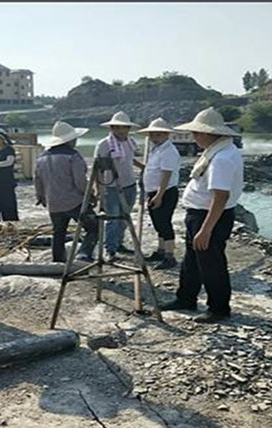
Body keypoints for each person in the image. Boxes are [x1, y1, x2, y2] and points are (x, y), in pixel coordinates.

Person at [161, 107, 243, 323]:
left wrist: (206, 230)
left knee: (211, 264)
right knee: (192, 260)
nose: (194, 137)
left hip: (209, 217)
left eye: (196, 133)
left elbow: (221, 196)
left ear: (208, 133)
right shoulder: (220, 151)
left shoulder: (222, 158)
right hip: (200, 214)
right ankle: (186, 297)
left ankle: (218, 308)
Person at [34, 121, 98, 263]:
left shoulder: (41, 157)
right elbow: (80, 182)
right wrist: (91, 195)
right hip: (74, 201)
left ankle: (57, 261)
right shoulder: (73, 156)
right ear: (70, 140)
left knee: (59, 233)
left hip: (53, 202)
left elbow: (37, 181)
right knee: (94, 227)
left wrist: (41, 197)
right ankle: (83, 254)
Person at [94, 111, 143, 262]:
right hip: (111, 187)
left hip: (129, 184)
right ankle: (110, 249)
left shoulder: (129, 142)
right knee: (112, 219)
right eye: (117, 128)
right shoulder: (104, 144)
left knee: (124, 218)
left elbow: (130, 158)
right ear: (112, 128)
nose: (121, 131)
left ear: (128, 129)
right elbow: (97, 167)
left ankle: (119, 243)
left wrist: (143, 166)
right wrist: (98, 189)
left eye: (124, 128)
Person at [136, 117, 181, 270]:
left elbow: (166, 174)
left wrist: (159, 195)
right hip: (154, 191)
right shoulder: (156, 149)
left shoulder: (169, 151)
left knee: (164, 223)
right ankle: (161, 251)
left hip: (165, 192)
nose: (154, 137)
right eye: (152, 134)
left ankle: (170, 256)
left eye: (158, 134)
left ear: (166, 135)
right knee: (158, 223)